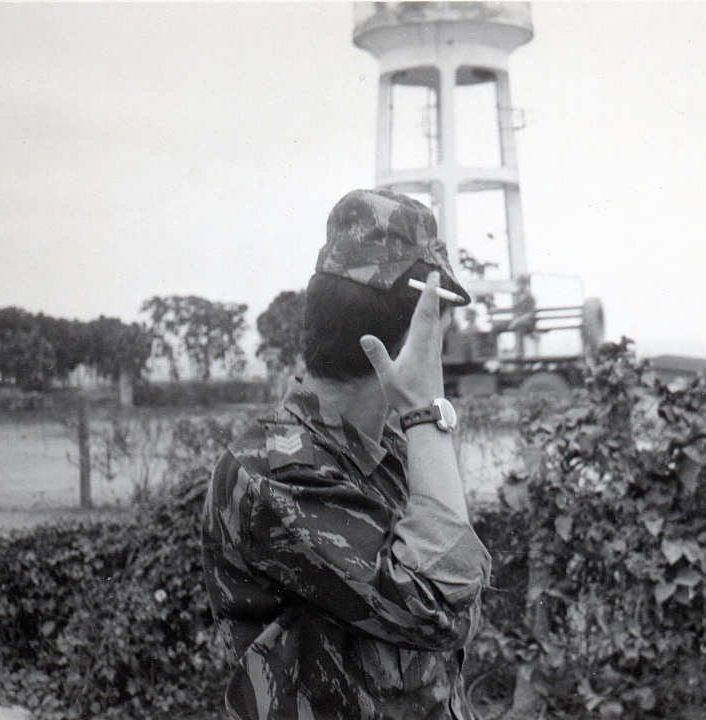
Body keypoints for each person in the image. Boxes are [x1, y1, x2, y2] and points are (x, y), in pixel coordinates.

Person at [201, 188, 491, 720]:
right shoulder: (273, 471)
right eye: (443, 317)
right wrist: (427, 411)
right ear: (423, 327)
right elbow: (441, 604)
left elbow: (460, 605)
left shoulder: (389, 451)